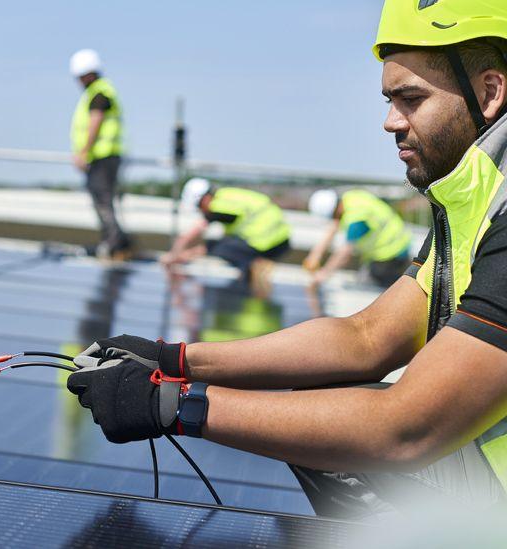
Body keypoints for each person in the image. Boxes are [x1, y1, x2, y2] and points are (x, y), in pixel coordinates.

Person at [67, 0, 507, 519]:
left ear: (490, 92)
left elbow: (409, 426)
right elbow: (368, 338)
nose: (390, 122)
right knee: (322, 403)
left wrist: (177, 405)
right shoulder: (476, 196)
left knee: (338, 427)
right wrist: (176, 360)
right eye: (389, 99)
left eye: (411, 99)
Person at [161, 178, 291, 293]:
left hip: (266, 243)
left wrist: (173, 256)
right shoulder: (227, 195)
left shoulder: (218, 206)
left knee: (218, 247)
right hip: (281, 240)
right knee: (224, 245)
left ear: (205, 198)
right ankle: (254, 267)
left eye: (198, 206)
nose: (200, 211)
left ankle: (256, 264)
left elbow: (190, 235)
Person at [69, 48, 132, 260]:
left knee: (103, 201)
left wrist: (84, 152)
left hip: (103, 157)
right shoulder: (99, 90)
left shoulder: (99, 92)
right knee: (102, 200)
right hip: (103, 156)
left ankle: (114, 244)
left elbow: (95, 121)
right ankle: (114, 241)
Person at [304, 188, 412, 287]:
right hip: (399, 244)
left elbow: (345, 253)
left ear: (335, 211)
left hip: (390, 255)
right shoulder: (350, 198)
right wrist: (315, 255)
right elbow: (334, 227)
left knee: (384, 293)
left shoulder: (356, 219)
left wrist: (324, 274)